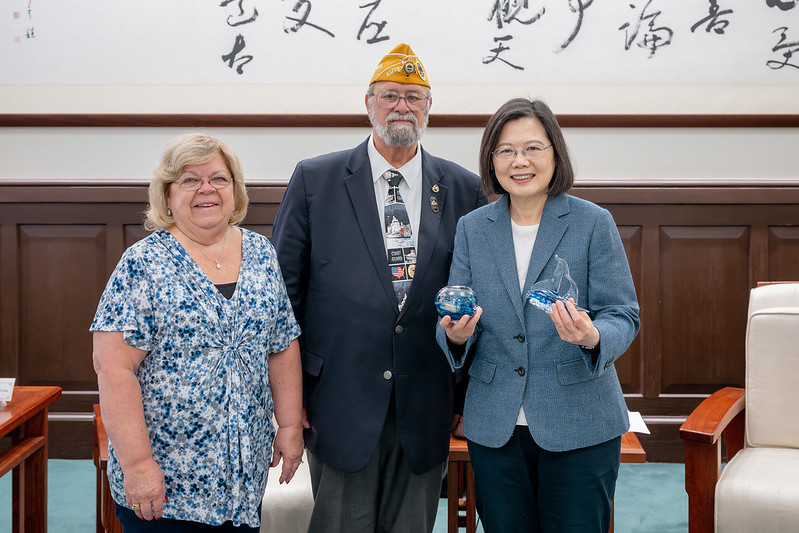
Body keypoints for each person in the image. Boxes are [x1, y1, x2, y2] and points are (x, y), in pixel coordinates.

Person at [271, 43, 487, 533]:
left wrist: (463, 398)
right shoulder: (315, 180)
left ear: (429, 107)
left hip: (428, 400)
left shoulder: (462, 189)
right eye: (390, 95)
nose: (402, 106)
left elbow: (477, 297)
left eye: (414, 96)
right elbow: (282, 298)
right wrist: (289, 399)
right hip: (338, 400)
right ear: (368, 103)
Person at [437, 98, 640, 533]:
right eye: (506, 150)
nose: (520, 161)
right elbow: (458, 312)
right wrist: (455, 336)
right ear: (491, 161)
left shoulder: (592, 222)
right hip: (496, 425)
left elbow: (623, 314)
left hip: (581, 420)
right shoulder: (473, 227)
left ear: (555, 154)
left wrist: (592, 336)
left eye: (533, 147)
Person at [91, 132, 303, 532]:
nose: (206, 189)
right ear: (168, 196)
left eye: (219, 179)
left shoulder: (261, 253)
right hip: (165, 487)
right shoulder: (142, 264)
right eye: (190, 180)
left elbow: (282, 344)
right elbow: (113, 369)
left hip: (242, 480)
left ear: (235, 190)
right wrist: (138, 465)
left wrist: (289, 427)